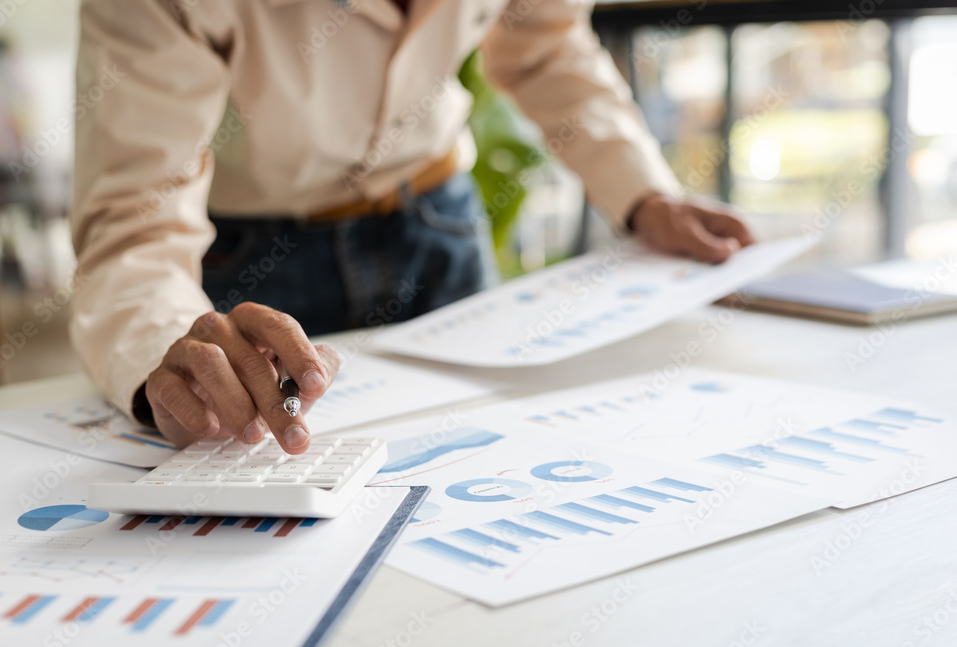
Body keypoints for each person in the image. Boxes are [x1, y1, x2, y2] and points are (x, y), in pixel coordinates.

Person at [70, 0, 754, 454]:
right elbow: (137, 216)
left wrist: (642, 192)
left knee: (494, 465)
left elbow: (545, 47)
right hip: (252, 271)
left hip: (441, 224)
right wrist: (168, 353)